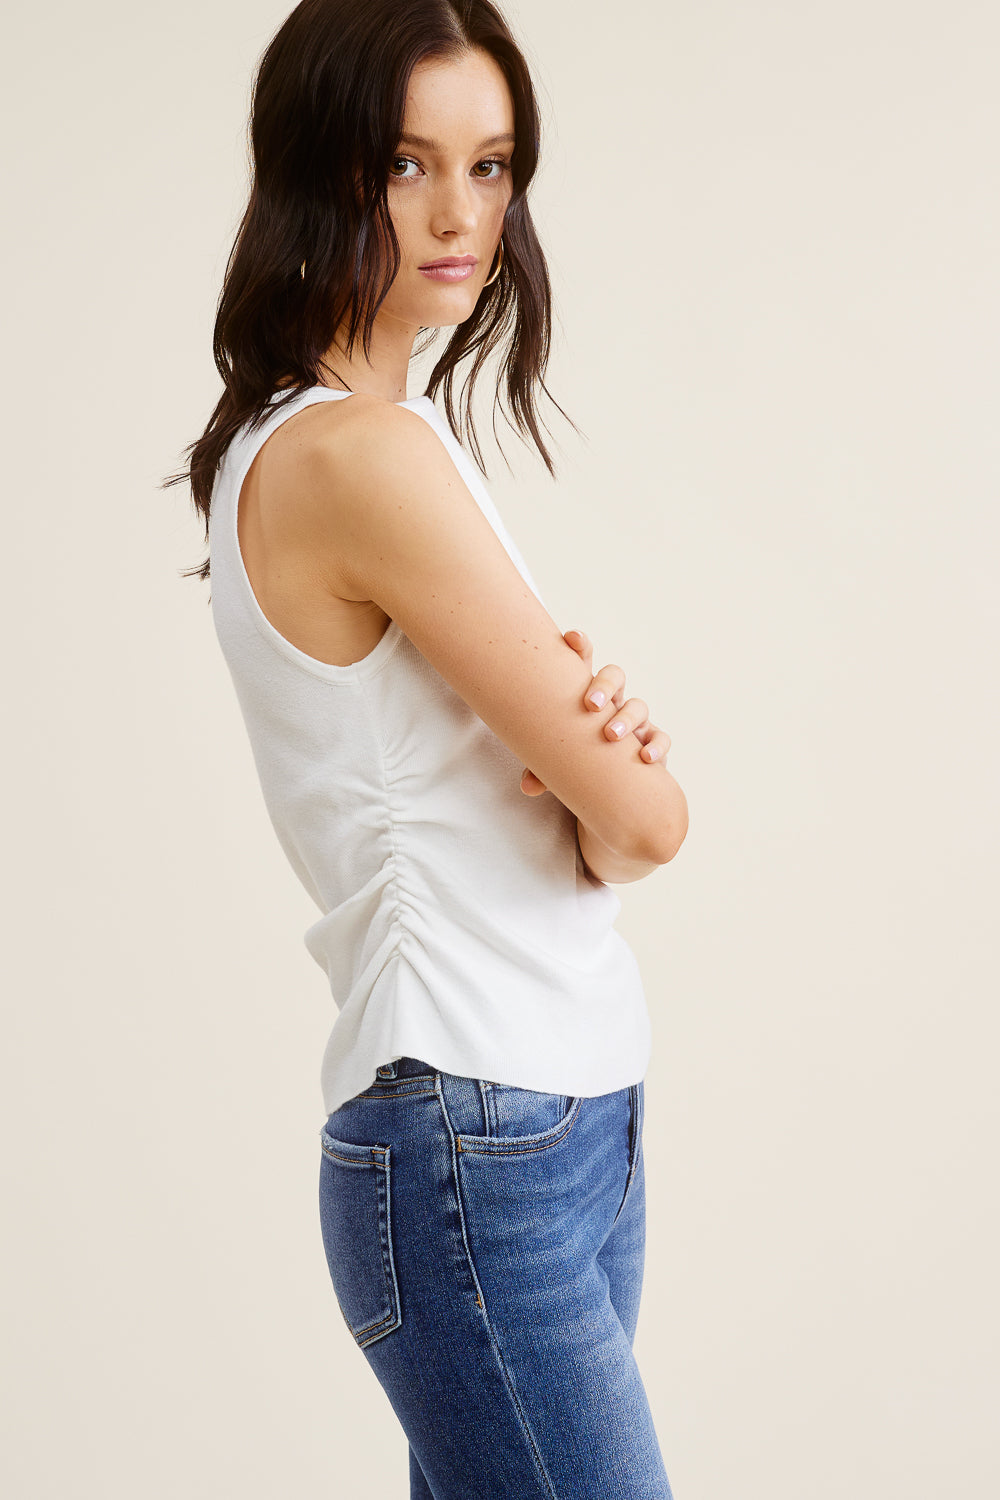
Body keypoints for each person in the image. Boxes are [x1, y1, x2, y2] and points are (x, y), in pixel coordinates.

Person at [165, 0, 688, 1493]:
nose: (462, 214)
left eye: (493, 163)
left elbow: (598, 828)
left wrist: (601, 771)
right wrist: (617, 775)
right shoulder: (355, 458)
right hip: (479, 1134)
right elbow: (644, 830)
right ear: (316, 171)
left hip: (560, 1113)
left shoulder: (401, 436)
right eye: (408, 164)